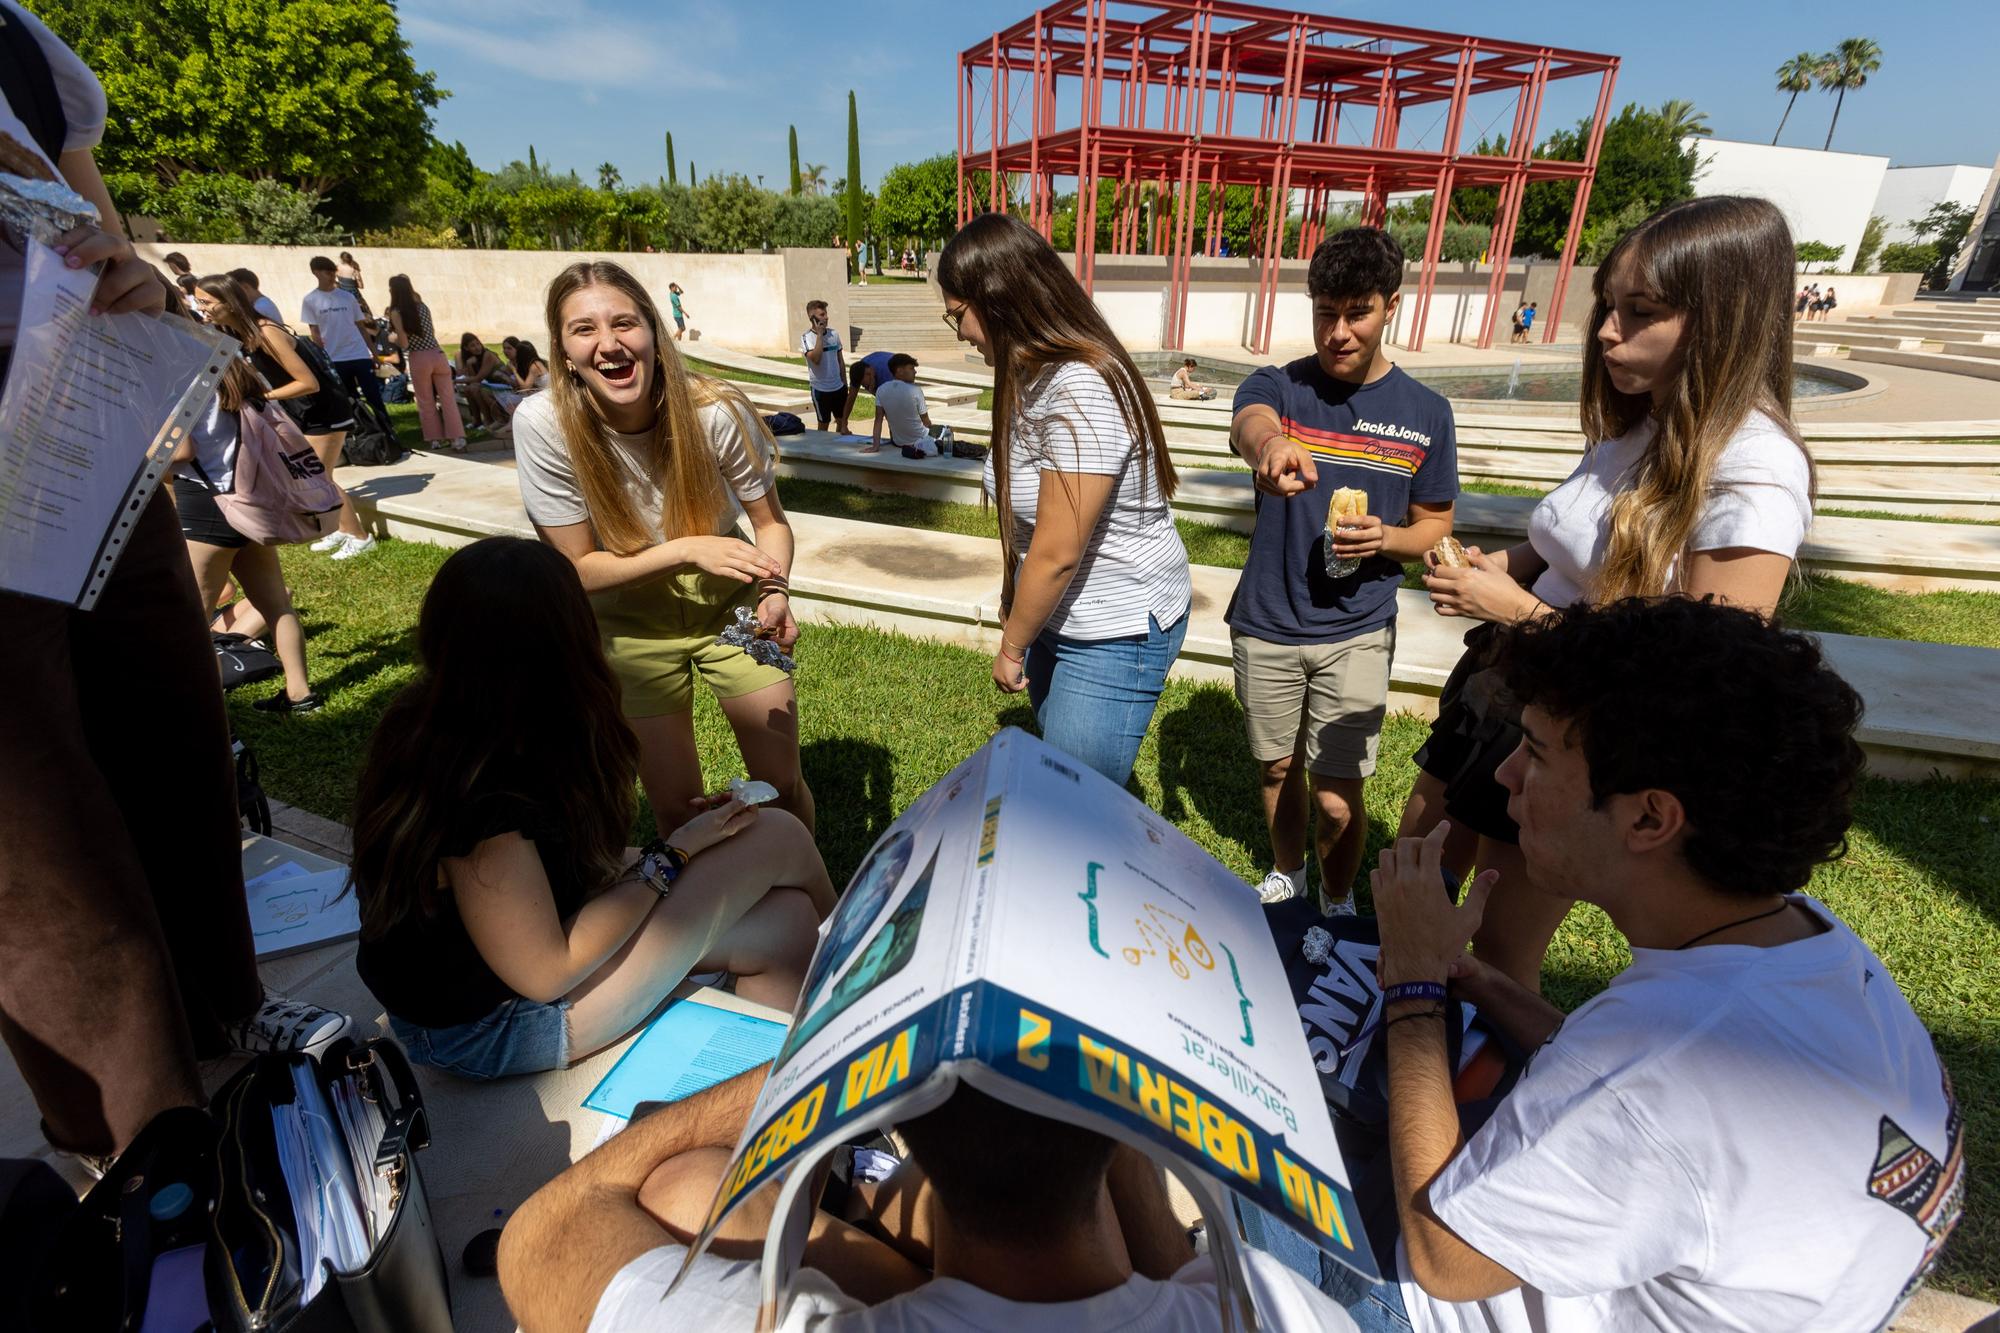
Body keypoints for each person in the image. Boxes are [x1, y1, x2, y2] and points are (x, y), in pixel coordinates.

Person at [1339, 597, 1963, 1333]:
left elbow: (1444, 1258)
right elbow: (1616, 1089)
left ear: (1648, 817)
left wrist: (1414, 985)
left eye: (1536, 753)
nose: (1506, 774)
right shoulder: (1803, 937)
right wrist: (1474, 977)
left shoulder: (1664, 1066)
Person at [0, 0, 348, 1179]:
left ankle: (225, 1030)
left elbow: (93, 222)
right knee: (34, 838)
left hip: (79, 428)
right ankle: (141, 1156)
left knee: (172, 736)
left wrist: (133, 277)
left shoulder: (20, 41)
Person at [1401, 195, 1814, 989]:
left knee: (1494, 945)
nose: (1605, 333)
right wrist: (1516, 563)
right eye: (1609, 306)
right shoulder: (1646, 421)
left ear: (1723, 319)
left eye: (1641, 312)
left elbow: (1702, 676)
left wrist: (1517, 611)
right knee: (1414, 865)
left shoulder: (1754, 467)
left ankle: (1470, 1092)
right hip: (1506, 688)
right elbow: (1585, 540)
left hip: (1572, 738)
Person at [349, 538, 832, 1079]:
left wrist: (694, 839)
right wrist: (672, 854)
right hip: (487, 1028)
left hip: (515, 962)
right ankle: (866, 973)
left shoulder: (465, 717)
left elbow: (561, 868)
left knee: (787, 920)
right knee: (776, 835)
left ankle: (772, 1081)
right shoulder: (474, 787)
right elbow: (547, 972)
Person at [498, 1067, 1356, 1330]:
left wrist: (814, 1065)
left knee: (686, 1189)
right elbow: (1178, 1274)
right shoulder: (1281, 1310)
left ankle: (869, 1177)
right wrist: (1115, 1099)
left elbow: (542, 1238)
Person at [513, 260, 816, 835]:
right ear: (562, 348)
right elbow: (574, 570)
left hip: (734, 612)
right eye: (584, 329)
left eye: (624, 323)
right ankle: (712, 913)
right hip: (626, 626)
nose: (609, 344)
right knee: (677, 809)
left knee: (782, 787)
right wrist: (683, 550)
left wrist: (774, 592)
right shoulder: (543, 423)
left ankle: (813, 905)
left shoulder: (714, 411)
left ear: (652, 328)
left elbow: (771, 524)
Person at [1227, 227, 1458, 912]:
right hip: (1268, 618)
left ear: (1392, 305)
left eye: (1356, 311)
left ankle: (1336, 897)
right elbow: (1250, 416)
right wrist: (1269, 445)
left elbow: (1436, 526)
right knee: (1275, 766)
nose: (1337, 331)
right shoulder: (1285, 385)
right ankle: (1290, 872)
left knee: (1335, 795)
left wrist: (1386, 537)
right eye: (1324, 311)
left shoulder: (1426, 413)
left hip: (1357, 627)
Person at [940, 212, 1192, 788]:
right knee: (1070, 779)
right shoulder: (1025, 374)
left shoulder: (1079, 386)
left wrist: (1011, 645)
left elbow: (1056, 550)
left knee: (1075, 805)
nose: (959, 333)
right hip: (1061, 614)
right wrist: (1017, 602)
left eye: (959, 316)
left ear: (999, 300)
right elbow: (1025, 529)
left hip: (1114, 626)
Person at [167, 317, 321, 713]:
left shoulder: (178, 378)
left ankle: (201, 712)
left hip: (206, 505)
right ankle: (300, 695)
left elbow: (180, 453)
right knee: (276, 605)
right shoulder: (238, 372)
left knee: (191, 621)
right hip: (249, 501)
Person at [195, 273, 376, 562]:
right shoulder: (238, 334)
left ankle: (360, 537)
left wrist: (262, 399)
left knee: (320, 477)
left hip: (324, 411)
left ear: (228, 302)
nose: (200, 306)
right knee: (318, 475)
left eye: (206, 301)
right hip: (301, 412)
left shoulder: (266, 332)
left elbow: (308, 383)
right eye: (197, 300)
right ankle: (340, 528)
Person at [303, 254, 394, 438]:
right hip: (335, 357)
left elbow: (361, 327)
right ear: (316, 273)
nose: (331, 276)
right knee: (348, 398)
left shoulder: (347, 297)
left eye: (332, 272)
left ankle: (388, 432)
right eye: (327, 272)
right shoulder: (310, 300)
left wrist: (374, 353)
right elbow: (315, 332)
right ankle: (361, 434)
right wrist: (321, 358)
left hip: (358, 354)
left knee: (373, 395)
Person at [384, 273, 467, 452]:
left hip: (419, 356)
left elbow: (404, 343)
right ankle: (457, 438)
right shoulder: (422, 306)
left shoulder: (397, 312)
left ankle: (435, 438)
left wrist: (393, 338)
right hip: (437, 354)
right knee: (447, 398)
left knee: (425, 400)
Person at [868, 352, 944, 456]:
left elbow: (878, 420)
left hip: (898, 442)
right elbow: (926, 422)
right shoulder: (915, 390)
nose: (915, 372)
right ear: (900, 371)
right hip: (919, 439)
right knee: (947, 430)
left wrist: (875, 446)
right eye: (911, 368)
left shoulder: (881, 390)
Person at [456, 331, 518, 434]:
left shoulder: (488, 355)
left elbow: (478, 378)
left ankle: (491, 420)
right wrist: (469, 364)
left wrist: (455, 381)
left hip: (505, 384)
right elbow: (472, 378)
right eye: (473, 346)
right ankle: (477, 420)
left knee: (477, 389)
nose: (477, 347)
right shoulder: (474, 359)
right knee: (469, 389)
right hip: (496, 385)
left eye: (478, 344)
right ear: (466, 348)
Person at [799, 298, 847, 431]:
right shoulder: (806, 338)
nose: (826, 317)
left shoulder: (834, 334)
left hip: (838, 387)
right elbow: (816, 359)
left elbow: (840, 360)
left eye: (826, 314)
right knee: (824, 424)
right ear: (812, 317)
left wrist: (844, 383)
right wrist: (819, 335)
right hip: (821, 390)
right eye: (822, 315)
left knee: (842, 422)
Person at [840, 347, 895, 437]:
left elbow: (890, 406)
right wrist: (844, 423)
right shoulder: (858, 371)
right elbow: (851, 397)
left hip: (897, 371)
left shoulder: (887, 373)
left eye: (865, 385)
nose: (865, 387)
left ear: (869, 373)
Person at [335, 249, 371, 317]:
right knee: (365, 314)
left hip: (342, 295)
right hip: (355, 295)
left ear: (341, 259)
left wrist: (340, 284)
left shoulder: (336, 268)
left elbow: (332, 281)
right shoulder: (354, 270)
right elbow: (361, 286)